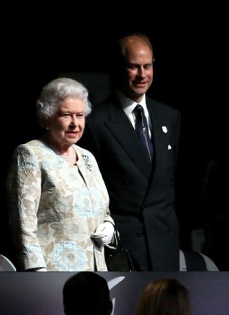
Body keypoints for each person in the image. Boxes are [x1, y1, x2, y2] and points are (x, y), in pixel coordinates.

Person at [77, 32, 181, 271]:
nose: (142, 75)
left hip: (164, 241)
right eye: (134, 67)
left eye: (147, 66)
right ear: (118, 67)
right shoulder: (96, 121)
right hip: (123, 245)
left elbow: (168, 182)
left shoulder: (170, 117)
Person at [6, 77, 115, 271]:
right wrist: (36, 270)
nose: (75, 123)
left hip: (96, 273)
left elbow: (102, 210)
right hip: (54, 274)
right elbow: (23, 223)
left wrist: (109, 225)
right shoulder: (31, 154)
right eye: (66, 115)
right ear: (47, 117)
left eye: (80, 115)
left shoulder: (87, 157)